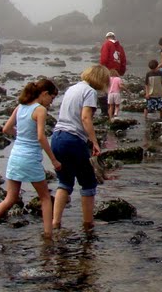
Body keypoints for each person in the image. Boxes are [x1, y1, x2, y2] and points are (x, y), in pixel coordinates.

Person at [0, 79, 61, 238]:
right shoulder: (40, 110)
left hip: (15, 157)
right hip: (29, 159)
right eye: (52, 97)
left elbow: (6, 129)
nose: (51, 102)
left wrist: (21, 135)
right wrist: (54, 160)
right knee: (45, 198)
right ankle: (48, 235)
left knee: (10, 198)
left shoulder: (20, 107)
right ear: (44, 94)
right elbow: (41, 137)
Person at [51, 64, 110, 230]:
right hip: (73, 139)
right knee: (88, 183)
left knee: (64, 182)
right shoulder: (90, 92)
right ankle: (88, 223)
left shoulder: (72, 88)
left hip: (57, 137)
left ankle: (56, 222)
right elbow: (85, 118)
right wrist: (94, 142)